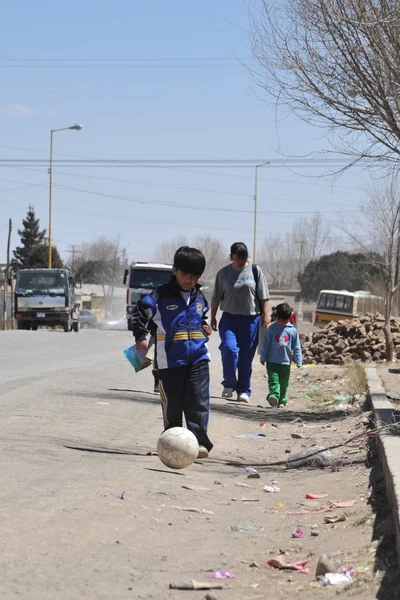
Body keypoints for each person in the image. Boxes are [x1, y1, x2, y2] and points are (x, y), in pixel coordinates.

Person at [131, 246, 213, 458]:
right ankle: (171, 441)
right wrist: (140, 336)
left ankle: (199, 443)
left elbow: (201, 318)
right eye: (185, 274)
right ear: (175, 270)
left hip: (198, 358)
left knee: (198, 401)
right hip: (169, 362)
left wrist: (205, 327)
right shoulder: (159, 296)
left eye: (195, 276)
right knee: (173, 405)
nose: (189, 279)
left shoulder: (200, 297)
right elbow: (139, 314)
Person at [211, 242, 270, 403]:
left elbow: (264, 297)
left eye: (243, 258)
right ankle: (229, 384)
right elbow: (216, 297)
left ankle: (244, 390)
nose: (240, 261)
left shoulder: (255, 272)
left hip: (250, 320)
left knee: (246, 357)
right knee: (229, 349)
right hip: (229, 318)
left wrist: (266, 316)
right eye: (237, 258)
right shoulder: (223, 274)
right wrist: (213, 316)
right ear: (231, 257)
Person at [260, 302, 302, 408]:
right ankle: (273, 396)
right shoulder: (272, 329)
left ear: (289, 318)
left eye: (285, 320)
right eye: (280, 319)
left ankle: (282, 400)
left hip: (286, 362)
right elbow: (265, 344)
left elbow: (296, 346)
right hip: (272, 362)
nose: (282, 322)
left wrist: (298, 360)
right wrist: (263, 357)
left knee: (284, 383)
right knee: (274, 381)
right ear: (276, 317)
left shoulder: (292, 331)